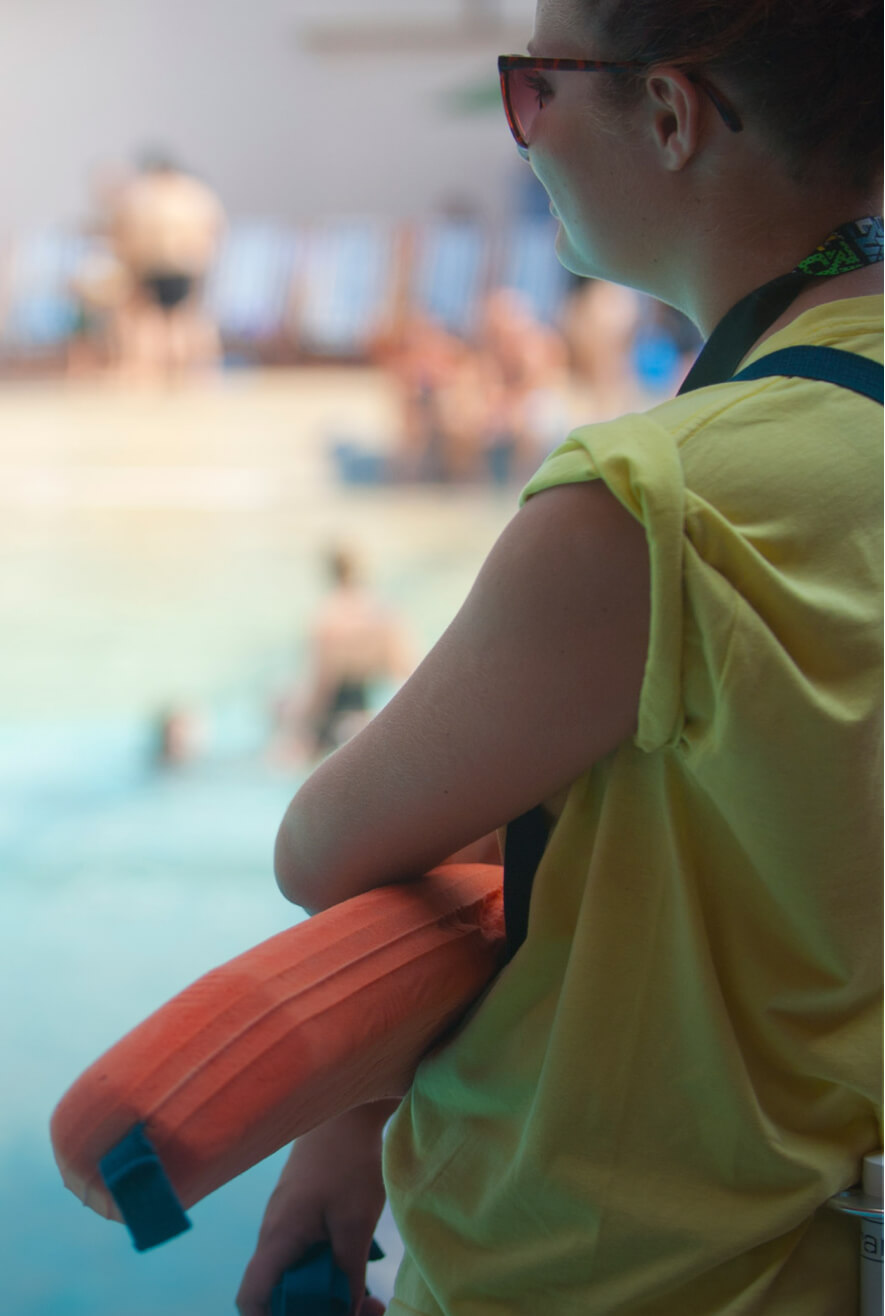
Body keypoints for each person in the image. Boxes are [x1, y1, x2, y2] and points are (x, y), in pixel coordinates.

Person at [238, 0, 882, 1312]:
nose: (523, 134)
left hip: (617, 1269)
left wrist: (356, 1104)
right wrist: (349, 1118)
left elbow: (322, 848)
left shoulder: (647, 509)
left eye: (535, 88)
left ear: (668, 113)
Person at [110, 152, 225, 381]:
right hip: (174, 262)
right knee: (173, 318)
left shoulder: (145, 195)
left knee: (167, 318)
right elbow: (215, 228)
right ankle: (175, 367)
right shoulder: (194, 194)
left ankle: (180, 366)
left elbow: (123, 230)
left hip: (164, 262)